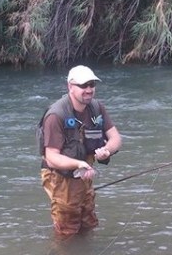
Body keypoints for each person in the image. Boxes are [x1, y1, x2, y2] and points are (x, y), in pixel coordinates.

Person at [40, 65, 122, 236]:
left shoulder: (97, 108)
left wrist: (107, 150)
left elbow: (116, 138)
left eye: (92, 84)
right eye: (83, 85)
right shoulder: (56, 115)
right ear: (70, 86)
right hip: (60, 177)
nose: (89, 89)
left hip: (85, 172)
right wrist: (79, 164)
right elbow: (52, 157)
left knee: (88, 221)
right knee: (67, 227)